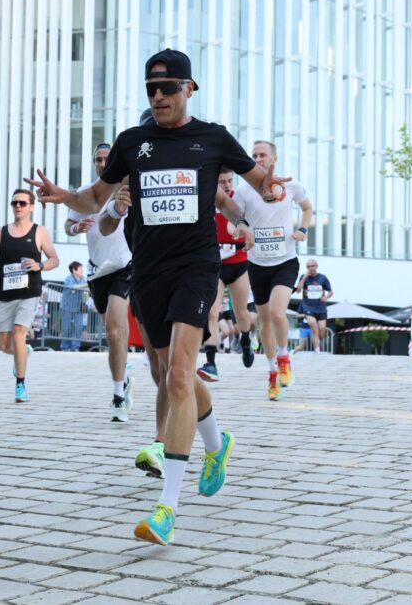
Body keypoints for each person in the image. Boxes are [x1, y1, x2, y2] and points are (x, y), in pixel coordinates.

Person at [26, 48, 283, 546]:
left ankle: (166, 506)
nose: (159, 96)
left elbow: (256, 185)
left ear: (190, 89)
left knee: (183, 375)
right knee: (168, 373)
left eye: (168, 88)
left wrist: (269, 190)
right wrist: (64, 196)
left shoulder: (213, 138)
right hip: (149, 272)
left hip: (196, 268)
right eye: (151, 89)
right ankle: (216, 443)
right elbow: (95, 200)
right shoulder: (132, 142)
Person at [234, 140, 313, 401]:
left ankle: (283, 357)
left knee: (279, 314)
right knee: (265, 321)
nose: (258, 158)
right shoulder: (244, 190)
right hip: (257, 264)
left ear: (274, 159)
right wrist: (242, 230)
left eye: (263, 154)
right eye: (254, 155)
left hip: (285, 261)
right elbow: (236, 218)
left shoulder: (290, 185)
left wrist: (302, 229)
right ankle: (271, 374)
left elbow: (307, 208)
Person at [65, 141, 135, 422]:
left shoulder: (129, 188)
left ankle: (118, 396)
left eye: (108, 159)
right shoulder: (88, 193)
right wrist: (75, 227)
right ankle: (125, 377)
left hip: (123, 265)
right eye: (98, 160)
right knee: (111, 333)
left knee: (116, 330)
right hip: (97, 271)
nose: (103, 164)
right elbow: (68, 227)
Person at [0, 189, 60, 402]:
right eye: (14, 202)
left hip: (29, 291)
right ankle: (22, 352)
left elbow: (54, 259)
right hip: (5, 293)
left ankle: (20, 385)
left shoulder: (39, 232)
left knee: (19, 332)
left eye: (22, 203)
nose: (18, 206)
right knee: (6, 345)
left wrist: (39, 264)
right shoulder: (1, 232)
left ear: (31, 207)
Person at [197, 167, 256, 380]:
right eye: (223, 182)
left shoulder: (237, 200)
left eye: (230, 181)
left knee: (241, 313)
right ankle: (211, 363)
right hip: (216, 265)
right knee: (212, 312)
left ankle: (247, 340)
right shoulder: (205, 200)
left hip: (239, 264)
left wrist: (238, 228)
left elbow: (241, 226)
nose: (228, 186)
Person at [294, 259, 333, 352]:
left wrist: (326, 297)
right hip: (308, 306)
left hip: (321, 307)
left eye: (312, 266)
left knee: (322, 331)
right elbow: (298, 290)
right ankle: (317, 350)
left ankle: (317, 343)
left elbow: (331, 292)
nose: (310, 268)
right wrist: (304, 278)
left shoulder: (323, 278)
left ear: (316, 266)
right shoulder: (304, 277)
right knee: (313, 326)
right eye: (308, 267)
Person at [60, 262, 88, 351]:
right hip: (67, 307)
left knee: (79, 327)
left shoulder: (82, 279)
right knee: (66, 328)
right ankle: (65, 347)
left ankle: (75, 346)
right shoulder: (68, 278)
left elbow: (86, 289)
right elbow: (74, 287)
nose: (82, 271)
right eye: (80, 269)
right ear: (74, 270)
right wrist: (86, 285)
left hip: (78, 307)